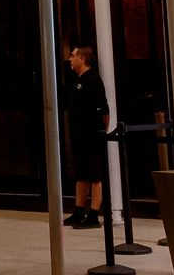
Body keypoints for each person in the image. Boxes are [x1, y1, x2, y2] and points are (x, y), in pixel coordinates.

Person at [63, 45, 109, 229]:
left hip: (92, 136)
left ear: (82, 59)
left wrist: (101, 131)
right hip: (79, 136)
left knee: (95, 175)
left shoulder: (93, 80)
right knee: (81, 174)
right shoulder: (77, 81)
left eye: (73, 56)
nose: (70, 59)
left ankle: (93, 214)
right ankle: (78, 210)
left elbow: (103, 109)